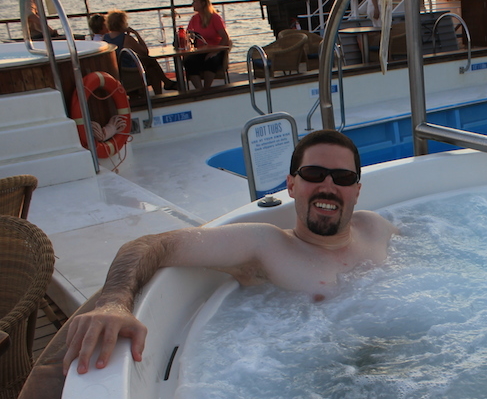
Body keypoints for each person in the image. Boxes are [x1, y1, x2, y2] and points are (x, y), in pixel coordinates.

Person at [64, 129, 399, 375]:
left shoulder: (375, 227)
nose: (328, 186)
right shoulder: (266, 246)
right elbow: (151, 245)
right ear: (292, 185)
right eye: (314, 174)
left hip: (400, 357)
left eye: (342, 177)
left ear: (356, 189)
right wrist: (114, 302)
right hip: (327, 377)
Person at [103, 9, 177, 95]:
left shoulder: (104, 39)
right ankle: (161, 92)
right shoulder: (126, 39)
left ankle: (167, 83)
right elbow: (145, 51)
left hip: (117, 73)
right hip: (131, 74)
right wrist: (136, 34)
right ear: (122, 23)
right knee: (151, 67)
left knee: (149, 62)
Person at [183, 0, 232, 90]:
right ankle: (200, 89)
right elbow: (188, 35)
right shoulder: (194, 18)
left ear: (203, 3)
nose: (192, 4)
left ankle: (207, 88)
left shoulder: (215, 18)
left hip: (216, 49)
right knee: (188, 62)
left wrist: (215, 51)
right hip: (200, 50)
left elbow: (225, 37)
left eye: (195, 1)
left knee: (210, 61)